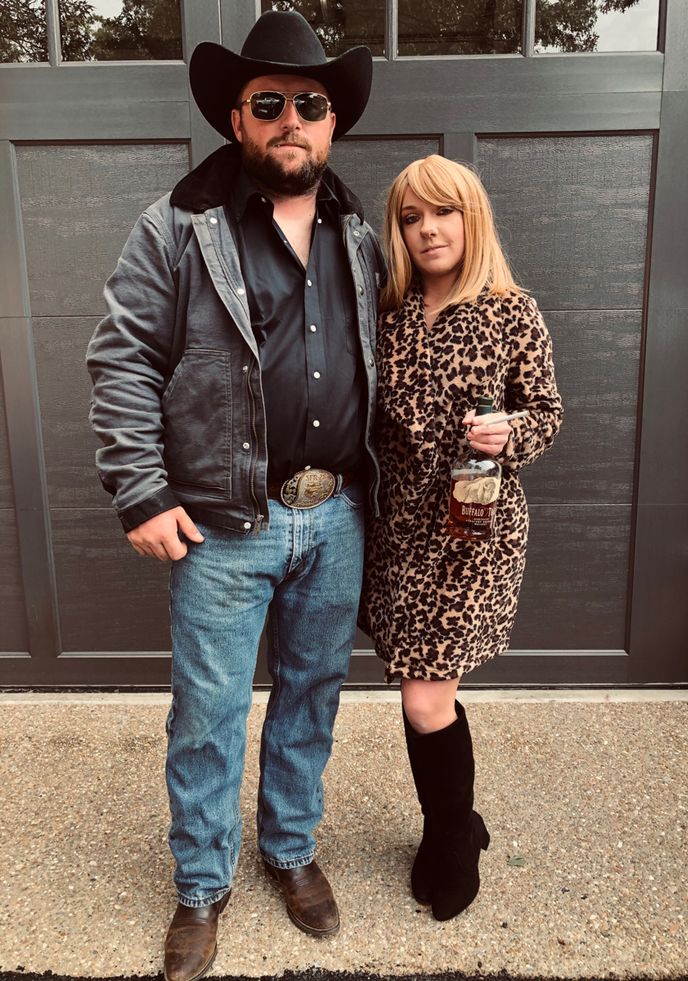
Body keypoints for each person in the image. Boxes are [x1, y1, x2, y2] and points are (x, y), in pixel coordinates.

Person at [86, 10, 384, 978]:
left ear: (331, 122)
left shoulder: (359, 232)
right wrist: (139, 491)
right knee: (208, 715)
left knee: (312, 699)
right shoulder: (178, 226)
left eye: (311, 104)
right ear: (236, 117)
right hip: (221, 527)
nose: (291, 119)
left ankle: (290, 852)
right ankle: (202, 886)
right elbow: (122, 357)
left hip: (334, 517)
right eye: (270, 104)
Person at [359, 155, 563, 922]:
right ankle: (455, 821)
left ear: (470, 219)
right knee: (420, 691)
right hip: (403, 532)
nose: (427, 229)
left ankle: (450, 838)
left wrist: (511, 432)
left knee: (423, 696)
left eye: (441, 213)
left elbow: (546, 412)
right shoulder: (391, 313)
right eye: (411, 218)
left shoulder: (514, 311)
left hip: (474, 533)